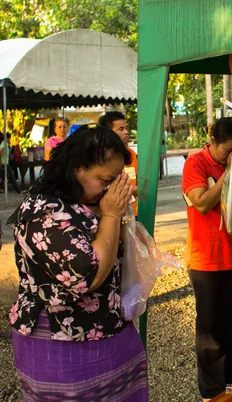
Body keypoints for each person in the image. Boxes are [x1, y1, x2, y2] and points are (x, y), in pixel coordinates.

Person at [7, 124, 148, 401]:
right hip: (62, 339)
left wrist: (116, 214)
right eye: (105, 180)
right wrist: (110, 215)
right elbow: (88, 275)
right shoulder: (42, 211)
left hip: (110, 330)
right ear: (76, 168)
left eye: (116, 180)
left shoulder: (86, 199)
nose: (111, 189)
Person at [181, 117, 232, 400]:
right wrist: (229, 173)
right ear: (212, 141)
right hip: (206, 260)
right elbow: (201, 203)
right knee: (210, 329)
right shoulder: (196, 164)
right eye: (228, 150)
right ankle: (212, 391)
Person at [99, 111, 139, 217]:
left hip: (133, 212)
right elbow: (104, 188)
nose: (126, 132)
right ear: (109, 132)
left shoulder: (131, 153)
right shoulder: (100, 156)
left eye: (126, 128)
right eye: (121, 129)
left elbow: (138, 181)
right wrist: (136, 190)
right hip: (111, 215)